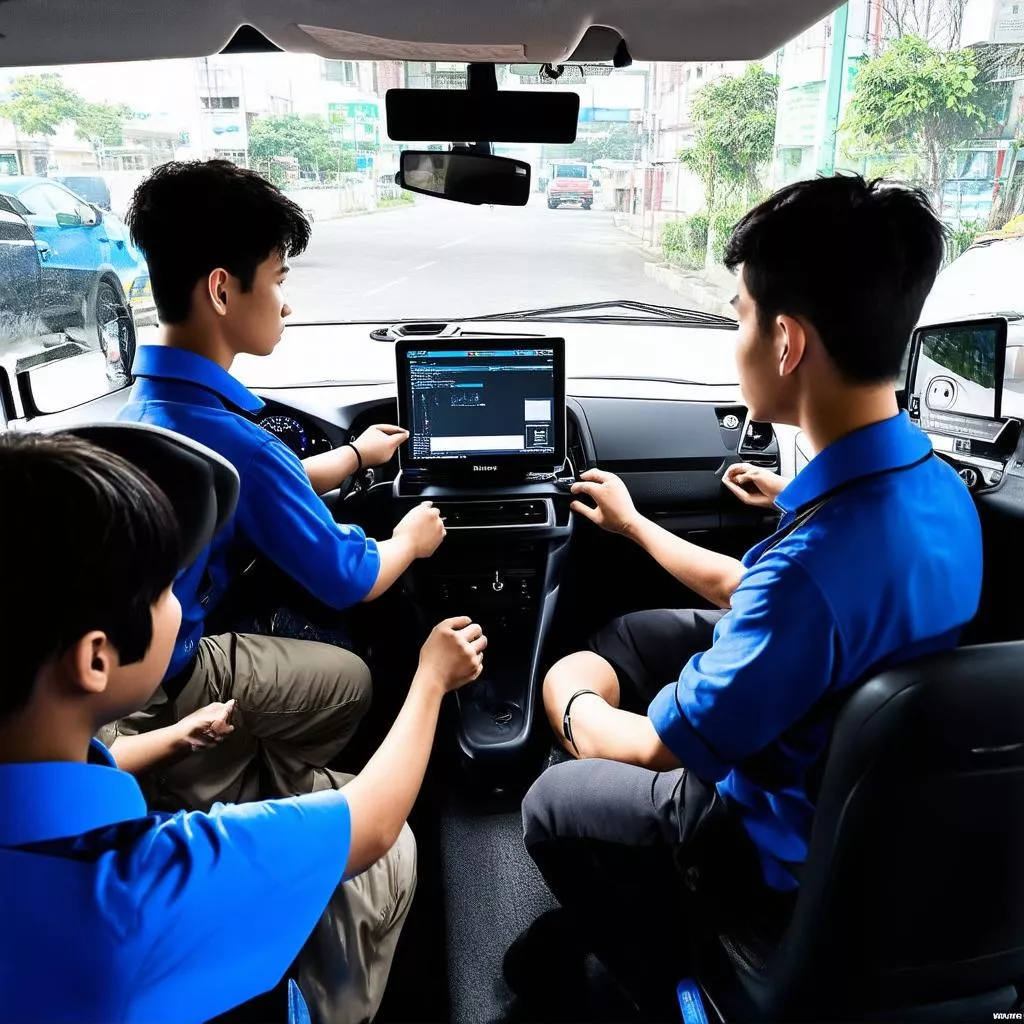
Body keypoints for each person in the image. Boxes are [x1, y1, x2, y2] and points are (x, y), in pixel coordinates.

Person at [515, 175, 984, 1017]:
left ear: (787, 344)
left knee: (552, 797)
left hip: (770, 840)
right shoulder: (935, 488)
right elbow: (766, 592)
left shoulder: (816, 564)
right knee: (630, 635)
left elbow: (663, 746)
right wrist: (634, 528)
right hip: (864, 783)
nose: (734, 337)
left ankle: (655, 965)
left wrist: (571, 708)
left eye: (737, 316)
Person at [0, 429, 486, 1024]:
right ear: (95, 660)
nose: (181, 603)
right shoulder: (144, 885)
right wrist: (431, 679)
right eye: (163, 590)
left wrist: (172, 738)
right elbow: (375, 823)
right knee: (396, 855)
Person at [108, 159, 445, 812]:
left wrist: (352, 456)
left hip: (130, 675)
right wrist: (409, 539)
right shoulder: (244, 442)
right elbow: (352, 575)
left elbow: (252, 486)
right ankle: (250, 775)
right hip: (177, 676)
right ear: (222, 290)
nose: (286, 302)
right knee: (353, 678)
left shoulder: (149, 410)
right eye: (277, 280)